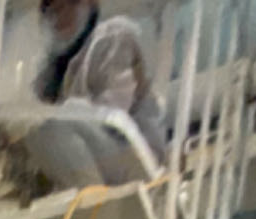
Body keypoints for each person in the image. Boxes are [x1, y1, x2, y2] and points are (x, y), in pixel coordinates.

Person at [28, 0, 166, 187]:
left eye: (63, 8)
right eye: (51, 13)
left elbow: (114, 110)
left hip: (135, 156)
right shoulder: (56, 63)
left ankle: (94, 199)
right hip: (99, 158)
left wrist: (65, 113)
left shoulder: (113, 38)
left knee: (55, 125)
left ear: (87, 4)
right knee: (32, 133)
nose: (58, 20)